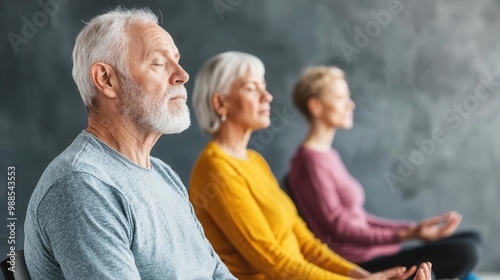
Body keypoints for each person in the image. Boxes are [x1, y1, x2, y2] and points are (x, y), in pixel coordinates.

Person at [24, 7, 235, 280]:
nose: (182, 74)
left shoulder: (162, 174)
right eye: (159, 63)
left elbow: (216, 272)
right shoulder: (82, 184)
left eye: (177, 61)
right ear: (107, 80)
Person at [189, 51, 432, 280]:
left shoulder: (254, 161)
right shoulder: (215, 169)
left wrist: (362, 275)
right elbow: (271, 261)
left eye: (264, 86)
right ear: (220, 104)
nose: (267, 96)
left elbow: (307, 244)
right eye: (252, 88)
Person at [288, 66, 482, 280]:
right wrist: (408, 234)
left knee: (473, 239)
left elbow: (359, 219)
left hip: (377, 252)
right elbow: (340, 227)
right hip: (361, 264)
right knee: (466, 252)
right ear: (315, 106)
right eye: (340, 97)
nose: (350, 104)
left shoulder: (327, 155)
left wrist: (413, 229)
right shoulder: (310, 161)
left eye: (348, 96)